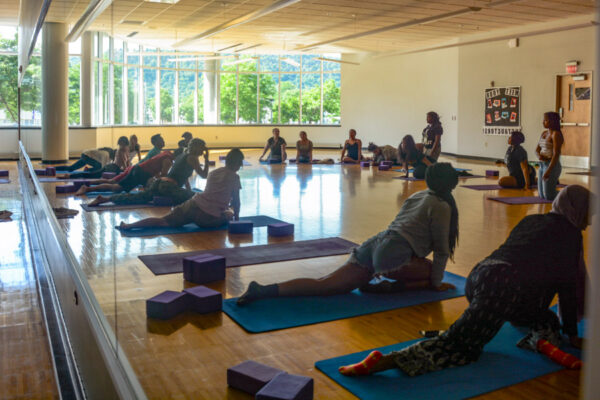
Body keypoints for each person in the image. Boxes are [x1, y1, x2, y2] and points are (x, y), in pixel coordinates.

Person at [338, 185, 590, 377]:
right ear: (576, 210)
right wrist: (572, 333)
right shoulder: (569, 235)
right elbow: (567, 284)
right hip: (503, 288)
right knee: (461, 347)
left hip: (481, 275)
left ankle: (536, 336)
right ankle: (389, 360)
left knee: (544, 321)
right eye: (588, 214)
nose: (589, 221)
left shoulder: (533, 219)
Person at [237, 163, 460, 305]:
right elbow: (441, 250)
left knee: (324, 284)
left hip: (375, 244)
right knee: (430, 273)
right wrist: (436, 283)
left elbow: (401, 228)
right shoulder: (440, 205)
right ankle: (387, 288)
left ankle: (265, 290)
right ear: (451, 184)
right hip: (391, 254)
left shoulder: (419, 196)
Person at [118, 149, 244, 231]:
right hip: (207, 217)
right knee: (229, 212)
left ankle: (130, 225)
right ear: (237, 163)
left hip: (194, 204)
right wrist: (236, 220)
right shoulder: (235, 177)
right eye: (240, 163)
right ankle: (227, 214)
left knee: (163, 221)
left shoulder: (214, 173)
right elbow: (236, 203)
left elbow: (211, 193)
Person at [88, 138, 209, 207]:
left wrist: (187, 188)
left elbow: (183, 175)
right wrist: (207, 159)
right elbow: (204, 176)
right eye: (203, 148)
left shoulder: (182, 155)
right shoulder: (193, 158)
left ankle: (105, 199)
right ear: (198, 148)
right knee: (197, 197)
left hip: (160, 183)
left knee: (138, 197)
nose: (203, 151)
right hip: (168, 187)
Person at [75, 150, 174, 196]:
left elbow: (155, 169)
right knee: (116, 187)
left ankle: (88, 186)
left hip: (139, 171)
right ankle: (88, 188)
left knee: (113, 184)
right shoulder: (167, 159)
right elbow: (163, 176)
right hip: (136, 172)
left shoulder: (165, 153)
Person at [535, 112, 564, 200]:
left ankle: (568, 195)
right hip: (542, 165)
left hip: (552, 166)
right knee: (541, 195)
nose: (543, 122)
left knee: (549, 196)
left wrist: (548, 170)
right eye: (543, 120)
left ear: (553, 121)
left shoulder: (556, 134)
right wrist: (539, 156)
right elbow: (537, 150)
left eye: (546, 120)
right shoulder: (544, 133)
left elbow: (556, 154)